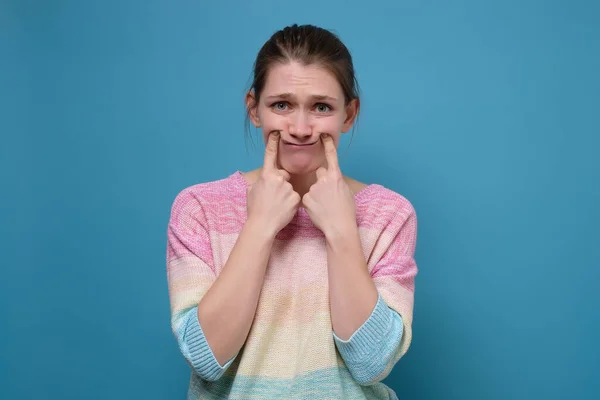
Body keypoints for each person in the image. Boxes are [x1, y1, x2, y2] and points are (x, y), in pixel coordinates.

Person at [166, 24, 418, 400]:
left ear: (349, 115)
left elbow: (371, 362)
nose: (300, 128)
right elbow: (207, 357)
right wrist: (261, 225)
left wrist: (342, 232)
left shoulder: (389, 214)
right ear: (254, 109)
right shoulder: (200, 208)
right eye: (281, 105)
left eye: (321, 107)